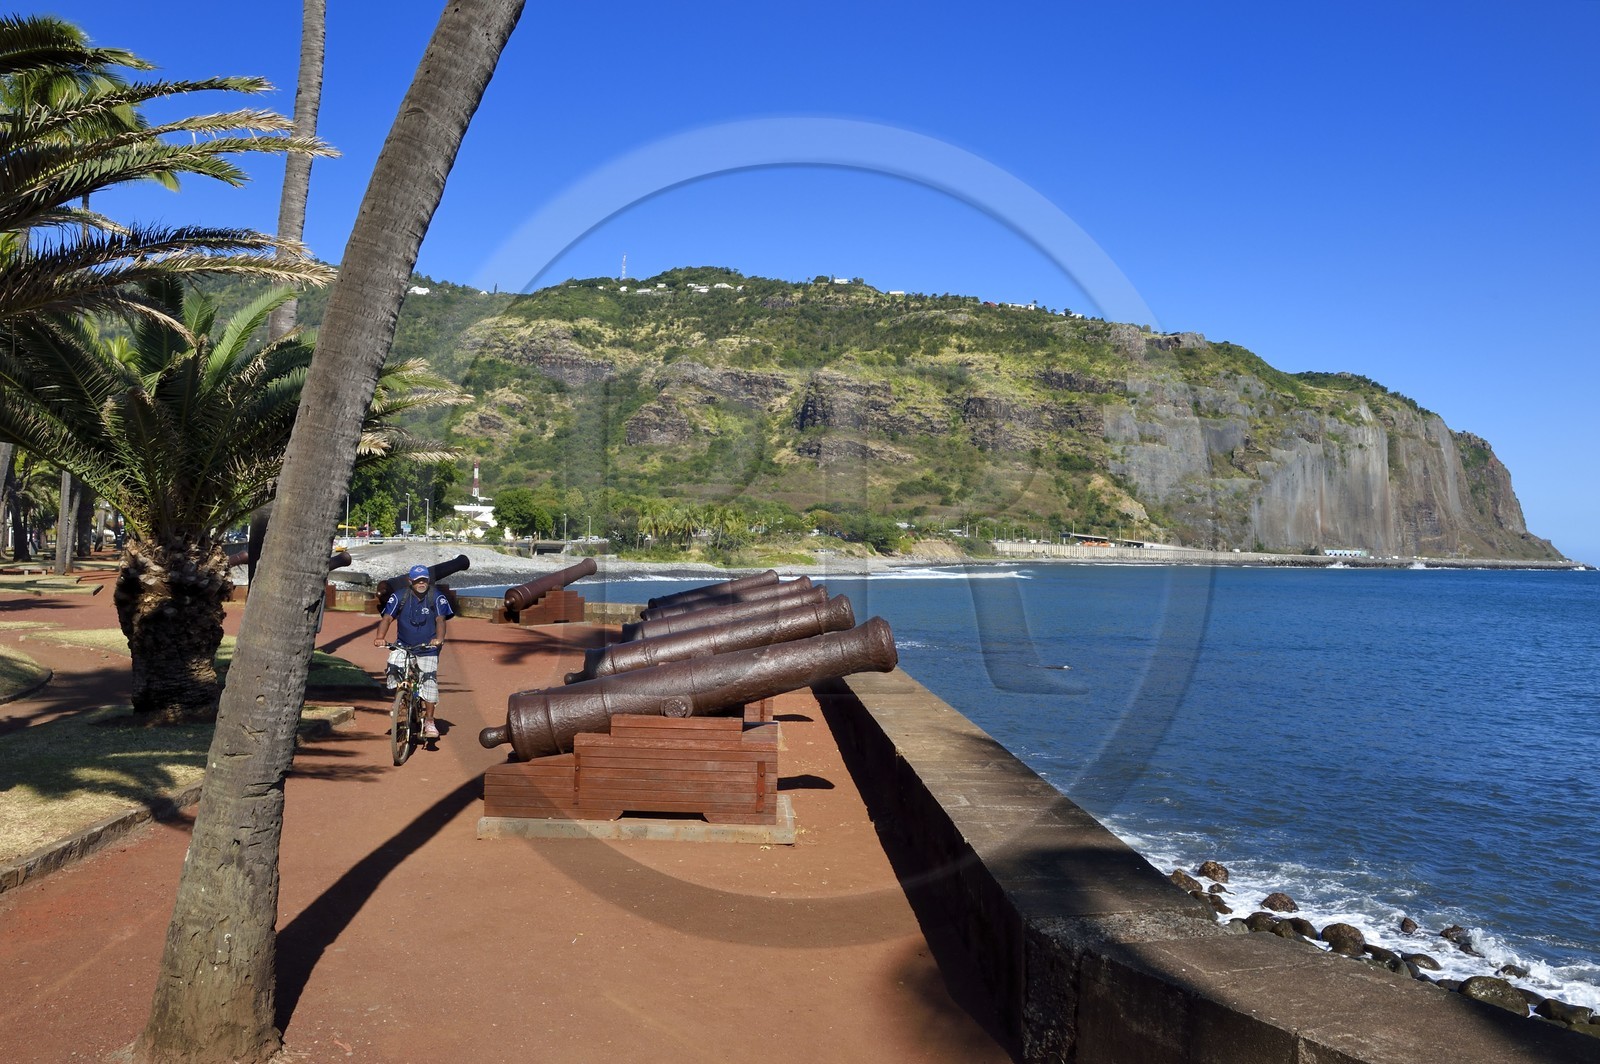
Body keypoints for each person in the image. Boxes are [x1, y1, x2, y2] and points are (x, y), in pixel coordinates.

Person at [373, 563, 453, 739]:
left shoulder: (436, 597)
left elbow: (441, 620)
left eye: (424, 580)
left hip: (428, 648)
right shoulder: (400, 596)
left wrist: (439, 639)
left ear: (428, 580)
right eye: (417, 580)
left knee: (429, 682)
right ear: (410, 581)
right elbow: (387, 618)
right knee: (393, 665)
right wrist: (380, 637)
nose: (421, 583)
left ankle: (430, 721)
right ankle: (400, 700)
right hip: (403, 644)